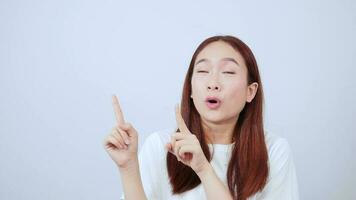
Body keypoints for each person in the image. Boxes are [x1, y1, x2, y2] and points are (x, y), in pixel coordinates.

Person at [103, 35, 299, 200]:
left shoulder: (273, 151)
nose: (212, 83)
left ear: (250, 91)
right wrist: (128, 167)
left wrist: (203, 169)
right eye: (203, 71)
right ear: (190, 89)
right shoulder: (162, 146)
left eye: (228, 72)